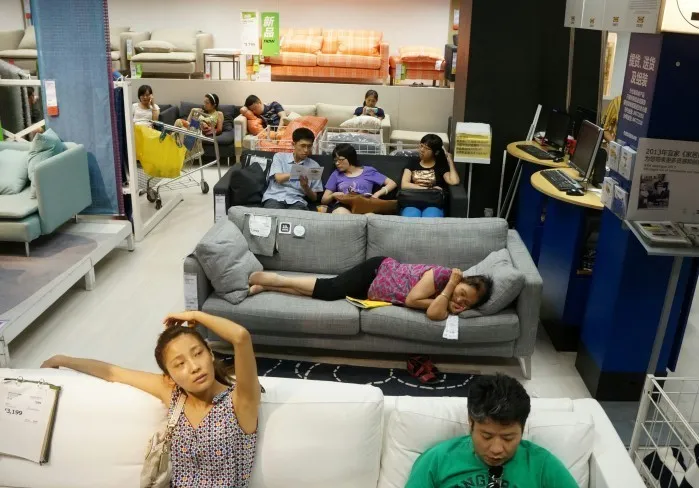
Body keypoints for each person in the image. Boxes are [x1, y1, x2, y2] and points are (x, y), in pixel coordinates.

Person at [40, 311, 261, 488]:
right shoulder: (174, 395)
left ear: (210, 354)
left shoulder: (240, 401)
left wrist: (195, 315)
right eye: (179, 364)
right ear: (169, 376)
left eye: (197, 353)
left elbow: (241, 337)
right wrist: (64, 360)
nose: (194, 367)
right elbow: (114, 373)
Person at [405, 374, 578, 488]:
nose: (496, 449)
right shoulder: (437, 459)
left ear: (523, 429)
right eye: (486, 436)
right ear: (471, 423)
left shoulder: (542, 465)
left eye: (508, 438)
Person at [249, 257, 492, 321]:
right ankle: (277, 278)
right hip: (376, 272)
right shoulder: (443, 275)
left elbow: (435, 313)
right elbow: (412, 300)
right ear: (460, 280)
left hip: (373, 291)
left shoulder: (445, 300)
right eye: (461, 292)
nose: (459, 300)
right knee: (329, 288)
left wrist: (449, 303)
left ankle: (268, 287)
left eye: (466, 303)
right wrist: (450, 286)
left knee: (324, 295)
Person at [321, 143, 397, 214]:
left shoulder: (368, 171)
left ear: (350, 158)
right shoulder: (336, 174)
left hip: (365, 205)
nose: (337, 163)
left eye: (340, 159)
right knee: (341, 213)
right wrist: (333, 195)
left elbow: (392, 183)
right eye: (335, 160)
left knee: (371, 217)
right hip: (343, 205)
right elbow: (324, 200)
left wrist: (377, 194)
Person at [262, 127, 324, 210]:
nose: (306, 150)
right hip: (274, 197)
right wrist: (297, 173)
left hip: (297, 201)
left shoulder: (314, 166)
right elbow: (279, 178)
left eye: (309, 146)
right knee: (274, 215)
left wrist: (305, 187)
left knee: (296, 216)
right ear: (293, 144)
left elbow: (314, 198)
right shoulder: (280, 157)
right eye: (303, 146)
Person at [400, 134, 461, 218]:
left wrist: (450, 160)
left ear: (436, 152)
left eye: (427, 148)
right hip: (412, 201)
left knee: (431, 216)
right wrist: (429, 189)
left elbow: (454, 181)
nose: (422, 150)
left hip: (433, 203)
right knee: (411, 215)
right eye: (421, 146)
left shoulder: (440, 166)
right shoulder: (412, 162)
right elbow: (404, 184)